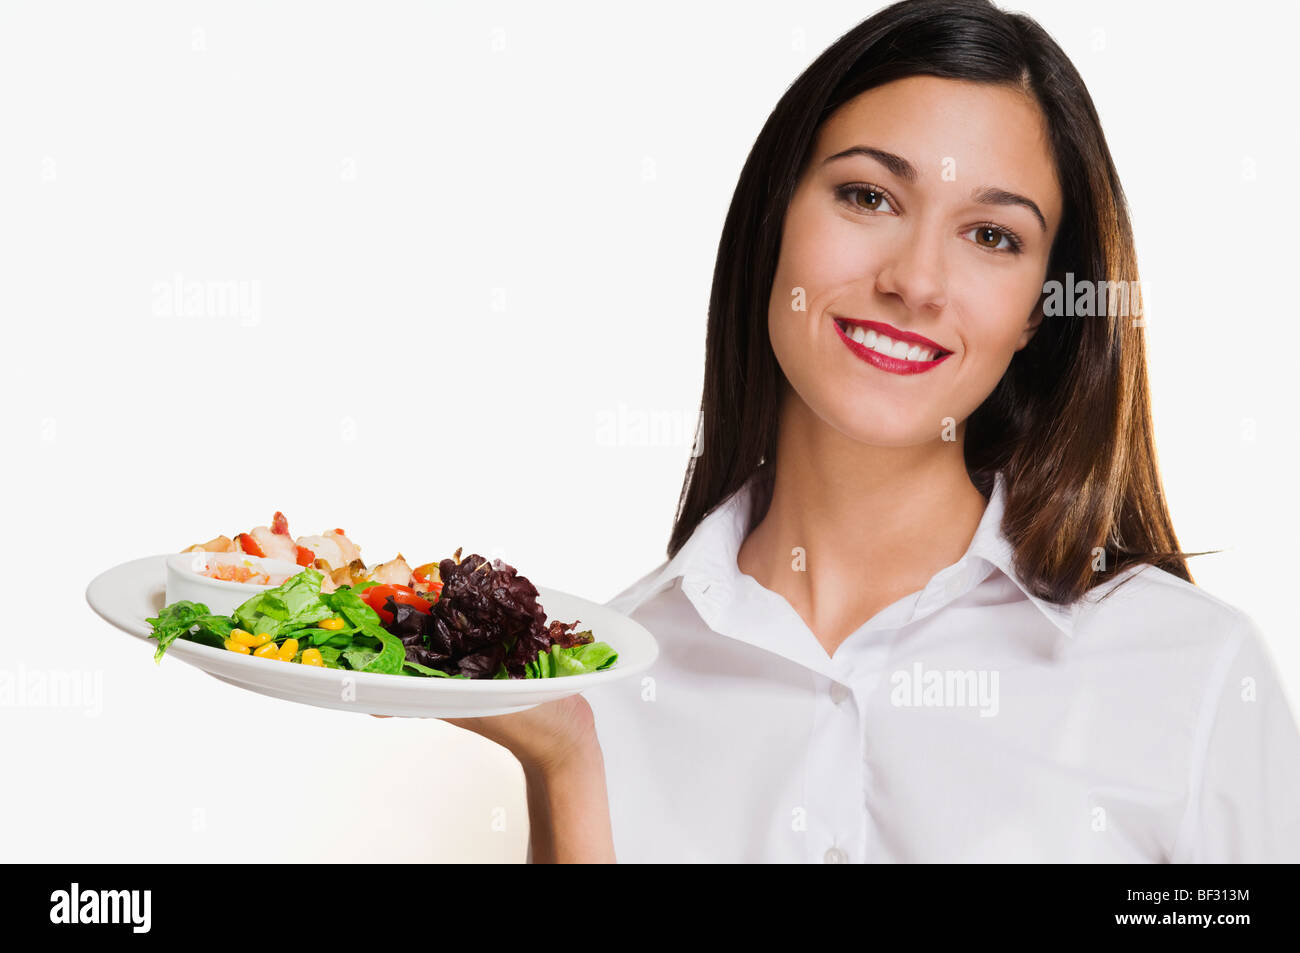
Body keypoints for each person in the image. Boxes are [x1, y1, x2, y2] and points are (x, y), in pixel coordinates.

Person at [447, 0, 1300, 862]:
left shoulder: (1191, 675)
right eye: (868, 196)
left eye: (993, 235)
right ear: (778, 214)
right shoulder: (611, 678)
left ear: (1043, 309)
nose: (917, 280)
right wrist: (564, 762)